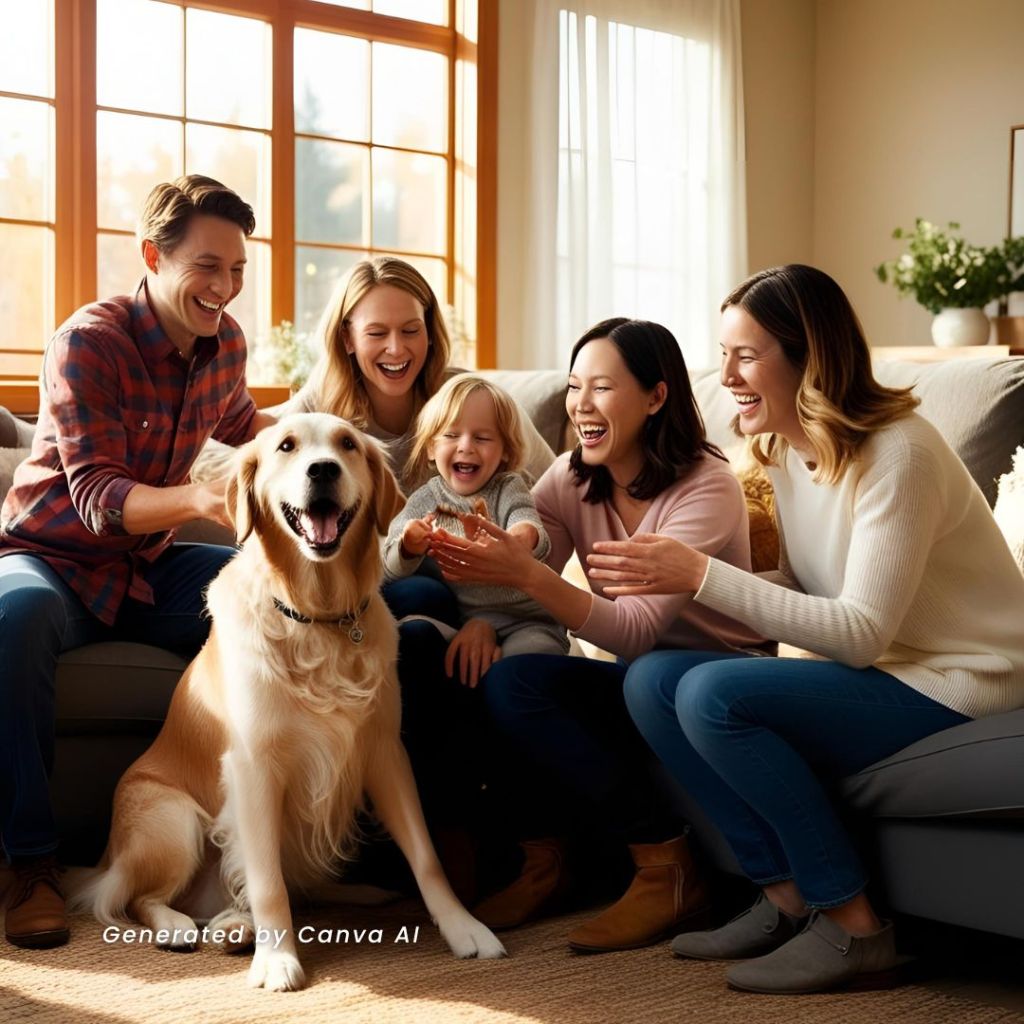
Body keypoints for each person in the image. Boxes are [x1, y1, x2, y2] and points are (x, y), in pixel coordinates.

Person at [589, 265, 1024, 994]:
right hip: (889, 667)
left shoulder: (900, 452)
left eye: (746, 355)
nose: (723, 374)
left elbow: (857, 631)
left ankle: (855, 927)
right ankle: (783, 894)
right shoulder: (788, 451)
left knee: (714, 697)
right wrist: (682, 593)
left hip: (965, 674)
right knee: (653, 679)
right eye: (722, 353)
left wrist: (700, 573)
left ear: (809, 358)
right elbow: (805, 586)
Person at [428, 318, 766, 951]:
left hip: (711, 682)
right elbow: (520, 592)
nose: (580, 403)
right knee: (511, 678)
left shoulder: (706, 486)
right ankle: (545, 860)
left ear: (656, 397)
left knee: (638, 673)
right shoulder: (569, 477)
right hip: (636, 683)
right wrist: (483, 614)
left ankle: (667, 868)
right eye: (576, 385)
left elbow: (637, 633)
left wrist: (526, 574)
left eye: (602, 387)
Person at [0, 174, 275, 950]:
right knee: (12, 616)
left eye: (237, 271)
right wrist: (199, 501)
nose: (224, 288)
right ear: (153, 255)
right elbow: (96, 497)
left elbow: (251, 435)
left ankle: (253, 856)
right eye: (207, 267)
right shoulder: (89, 341)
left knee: (267, 605)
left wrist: (324, 446)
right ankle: (28, 866)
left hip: (146, 568)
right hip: (48, 558)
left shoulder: (227, 348)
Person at [383, 373, 569, 680]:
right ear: (431, 447)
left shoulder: (509, 486)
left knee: (517, 669)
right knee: (414, 640)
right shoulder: (423, 501)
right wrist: (408, 547)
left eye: (482, 438)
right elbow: (387, 569)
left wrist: (513, 542)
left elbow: (529, 526)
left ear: (505, 451)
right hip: (466, 619)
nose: (466, 447)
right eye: (452, 436)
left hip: (529, 620)